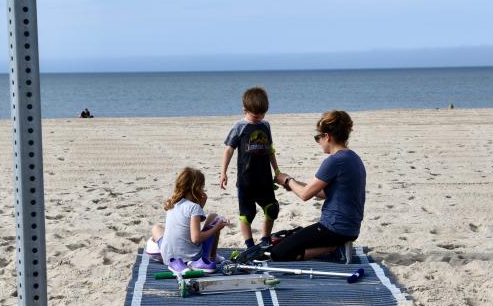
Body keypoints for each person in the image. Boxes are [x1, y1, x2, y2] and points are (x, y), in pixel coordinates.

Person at [271, 110, 365, 261]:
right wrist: (293, 184)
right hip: (351, 229)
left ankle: (335, 248)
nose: (318, 142)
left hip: (334, 228)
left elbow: (305, 195)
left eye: (318, 138)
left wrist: (287, 180)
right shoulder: (353, 157)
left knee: (278, 253)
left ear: (327, 136)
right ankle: (335, 245)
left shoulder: (334, 161)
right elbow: (324, 193)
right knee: (291, 238)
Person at [220, 87, 280, 250]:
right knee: (247, 215)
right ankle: (250, 245)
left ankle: (265, 239)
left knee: (272, 209)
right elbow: (229, 150)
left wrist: (277, 171)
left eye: (262, 114)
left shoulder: (265, 125)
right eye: (255, 115)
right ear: (245, 110)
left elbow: (270, 150)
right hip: (246, 181)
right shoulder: (239, 126)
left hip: (265, 179)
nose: (259, 118)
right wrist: (223, 172)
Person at [147, 167, 229, 273]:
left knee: (156, 228)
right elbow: (196, 238)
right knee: (214, 217)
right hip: (191, 257)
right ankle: (211, 257)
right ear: (196, 188)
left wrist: (200, 206)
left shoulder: (172, 203)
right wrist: (216, 228)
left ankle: (159, 251)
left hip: (168, 257)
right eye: (202, 187)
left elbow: (187, 222)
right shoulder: (194, 207)